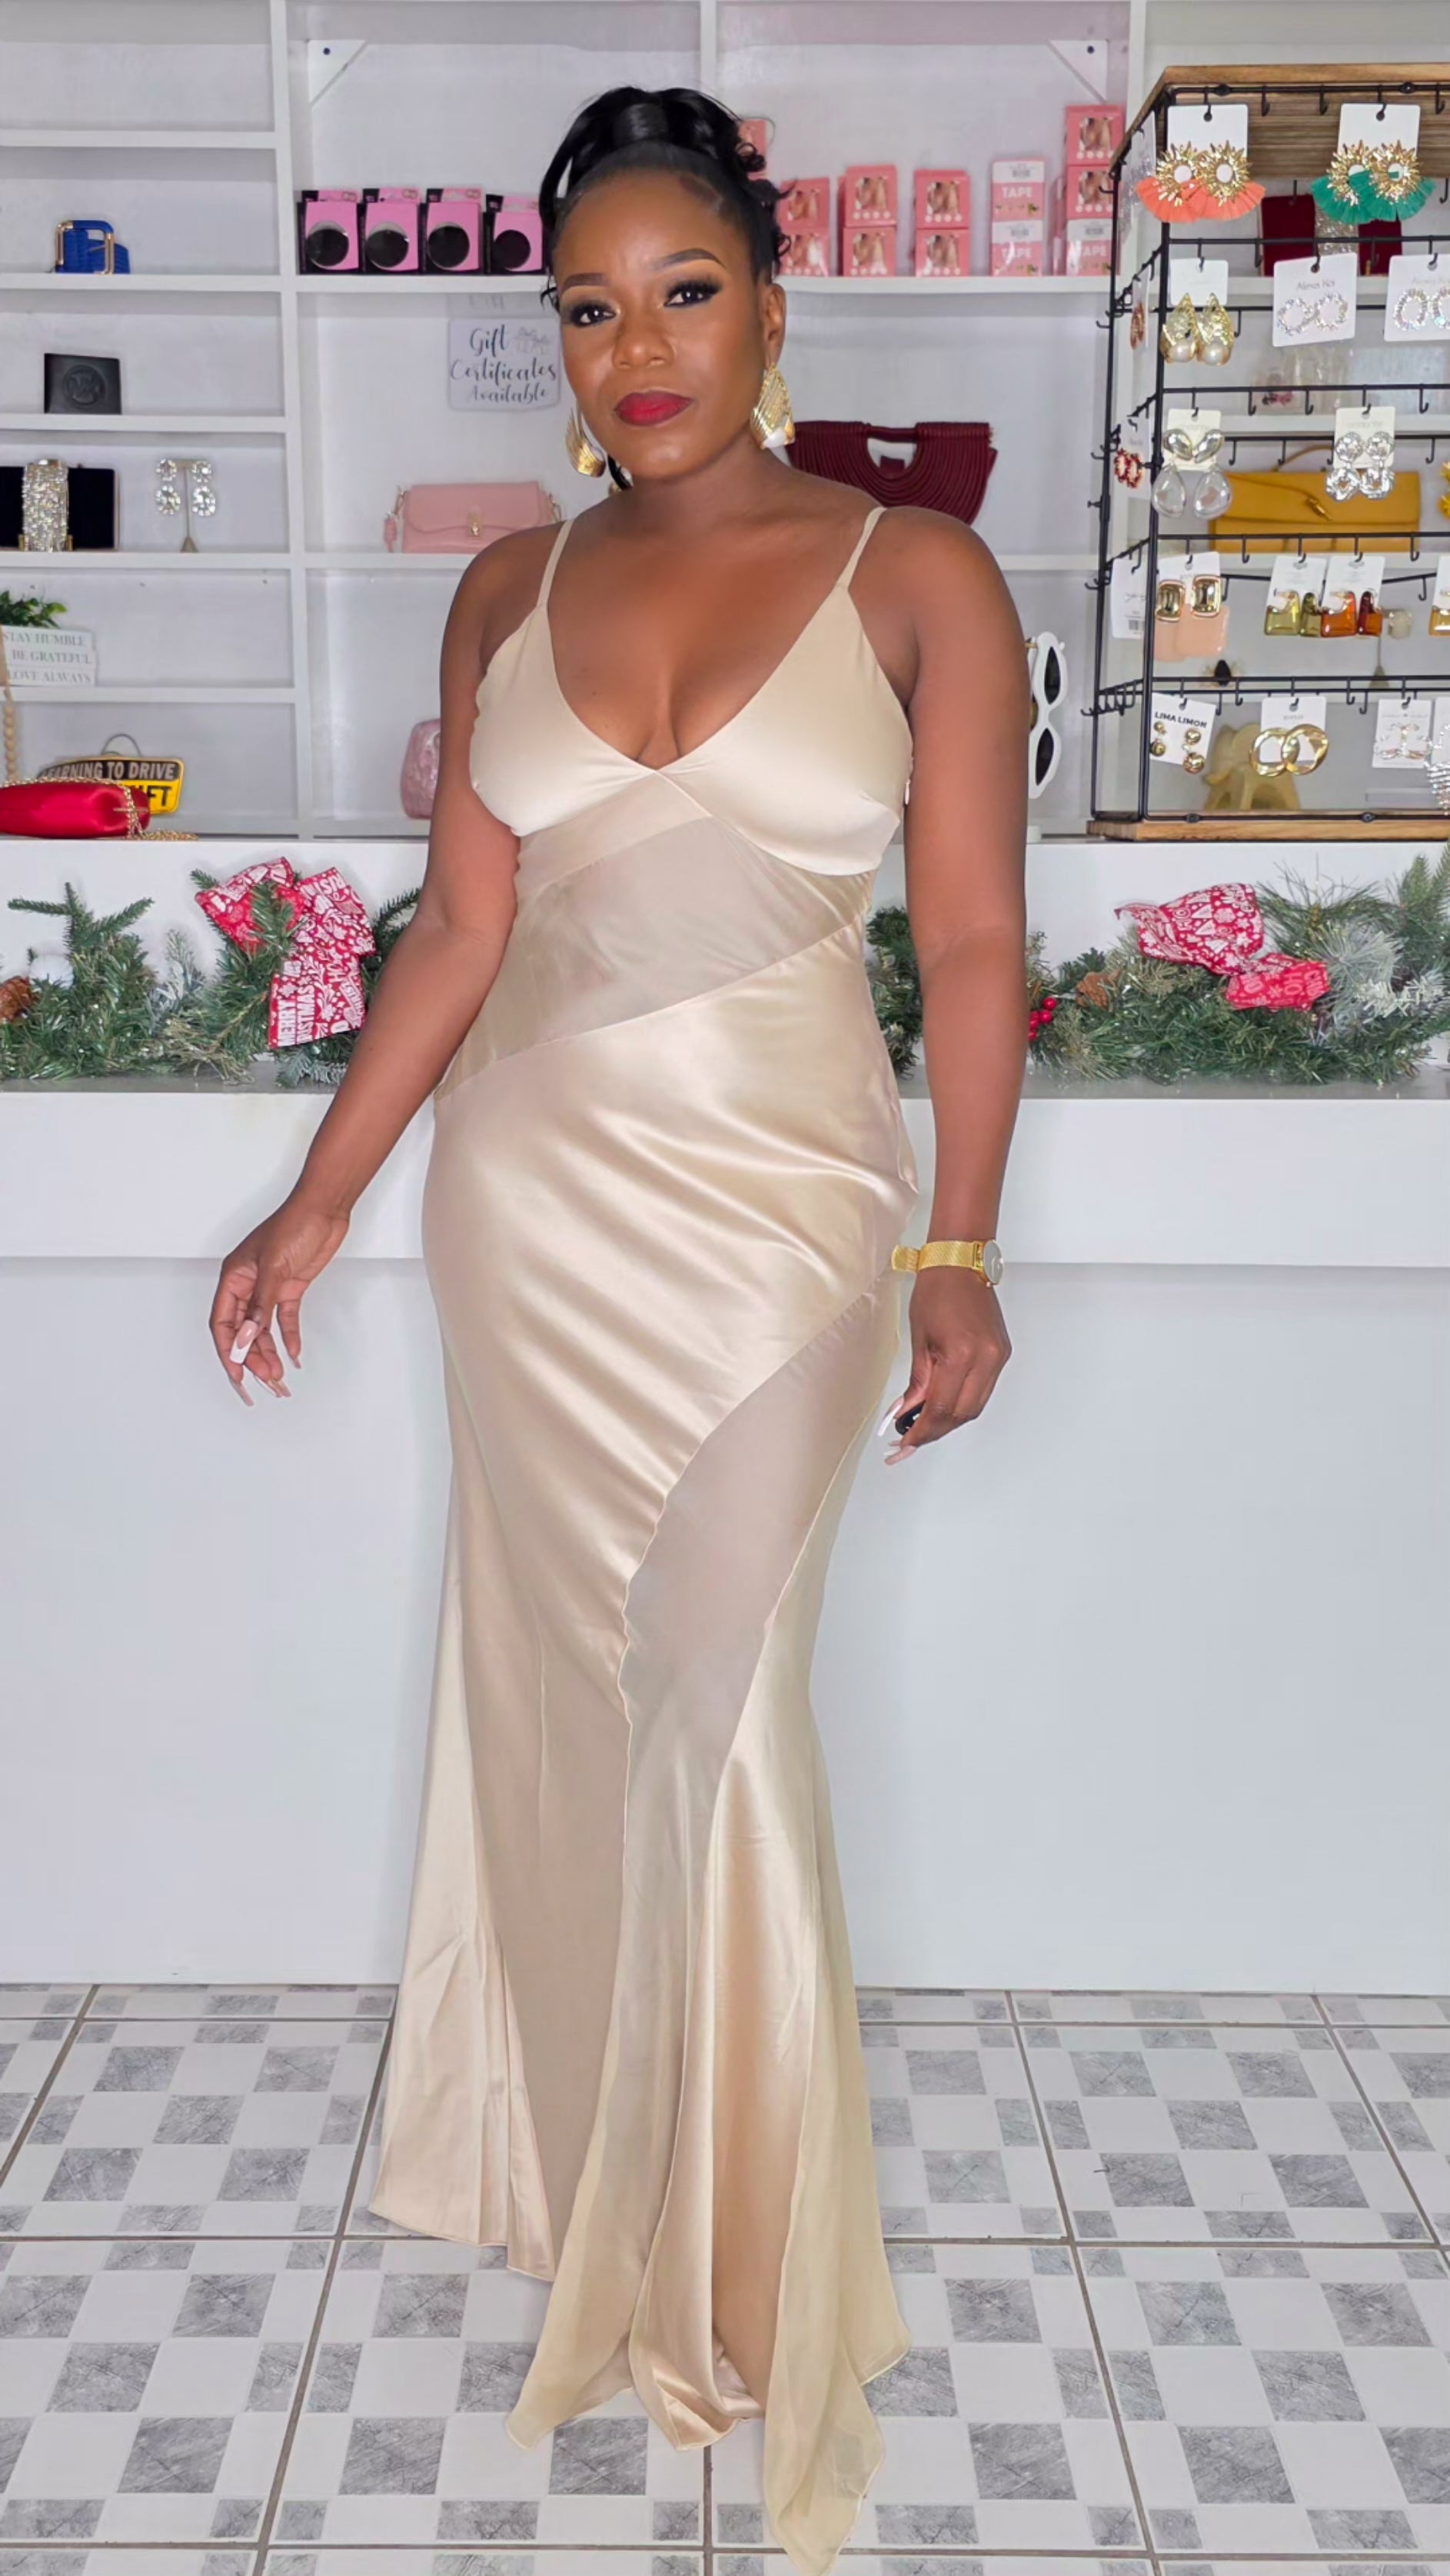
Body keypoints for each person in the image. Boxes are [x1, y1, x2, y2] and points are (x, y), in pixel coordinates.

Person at [209, 84, 1027, 2576]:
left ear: (776, 305)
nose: (636, 347)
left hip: (789, 1218)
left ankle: (743, 2263)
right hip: (534, 1215)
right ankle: (604, 2171)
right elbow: (462, 935)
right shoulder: (504, 590)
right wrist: (319, 1199)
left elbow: (970, 941)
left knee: (717, 1702)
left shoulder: (920, 573)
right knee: (578, 1700)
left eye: (685, 293)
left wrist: (959, 1246)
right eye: (589, 307)